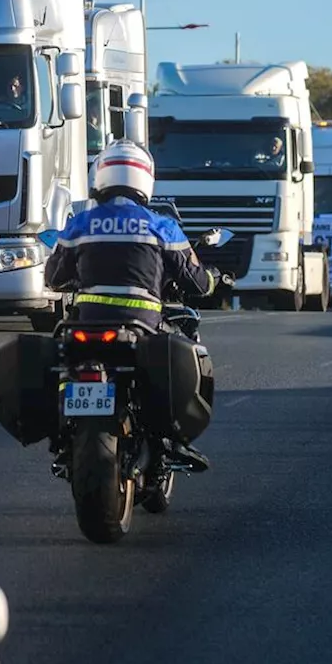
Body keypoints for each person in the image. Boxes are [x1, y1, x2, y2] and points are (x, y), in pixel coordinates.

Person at [43, 138, 221, 473]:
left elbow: (53, 277)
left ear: (101, 177)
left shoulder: (81, 223)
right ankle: (170, 437)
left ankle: (63, 434)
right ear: (145, 179)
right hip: (142, 324)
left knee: (62, 363)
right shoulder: (161, 226)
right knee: (178, 353)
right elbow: (197, 283)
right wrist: (213, 278)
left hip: (85, 323)